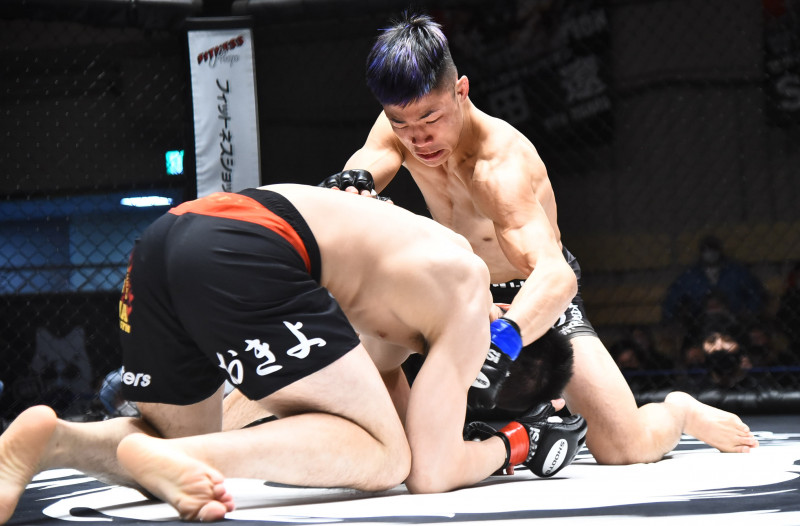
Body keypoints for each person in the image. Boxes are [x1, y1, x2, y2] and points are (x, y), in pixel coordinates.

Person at [0, 183, 584, 524]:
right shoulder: (470, 304)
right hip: (243, 250)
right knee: (386, 463)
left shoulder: (413, 295)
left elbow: (394, 416)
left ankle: (56, 441)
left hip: (165, 239)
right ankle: (181, 456)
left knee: (167, 447)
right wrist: (514, 443)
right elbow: (427, 472)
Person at [335, 11, 758, 464]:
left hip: (531, 293)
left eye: (429, 119)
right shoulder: (403, 119)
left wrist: (505, 340)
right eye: (401, 124)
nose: (418, 139)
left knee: (625, 446)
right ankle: (408, 450)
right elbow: (372, 158)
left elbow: (556, 277)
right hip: (461, 289)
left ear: (461, 91)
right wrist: (353, 181)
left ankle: (679, 411)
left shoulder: (500, 166)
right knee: (373, 357)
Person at [662, 235, 767, 337]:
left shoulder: (736, 271)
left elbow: (756, 292)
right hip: (700, 323)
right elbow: (672, 297)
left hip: (735, 319)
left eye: (713, 249)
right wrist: (670, 319)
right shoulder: (691, 275)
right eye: (707, 250)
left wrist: (749, 311)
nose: (710, 253)